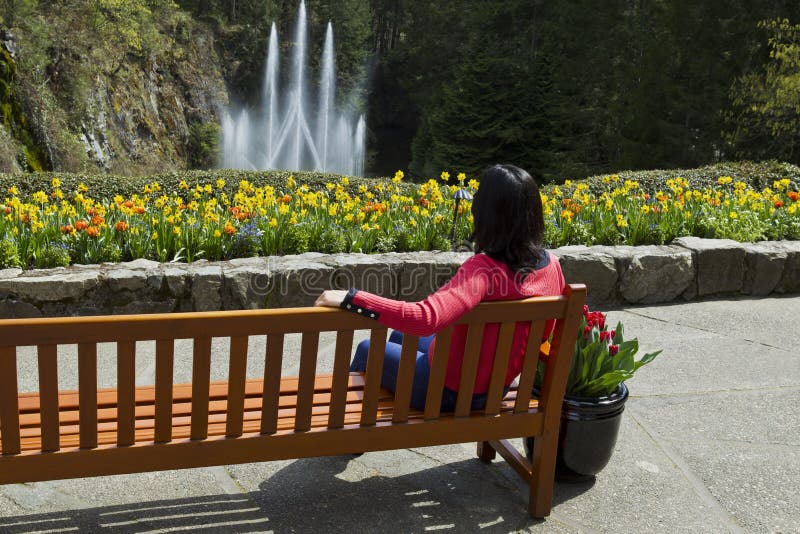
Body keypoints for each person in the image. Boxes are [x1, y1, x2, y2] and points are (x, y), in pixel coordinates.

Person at [314, 164, 565, 412]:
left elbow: (426, 318)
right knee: (400, 336)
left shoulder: (483, 271)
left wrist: (351, 298)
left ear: (487, 215)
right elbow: (544, 335)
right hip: (494, 388)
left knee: (367, 350)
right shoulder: (552, 267)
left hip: (445, 392)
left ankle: (351, 429)